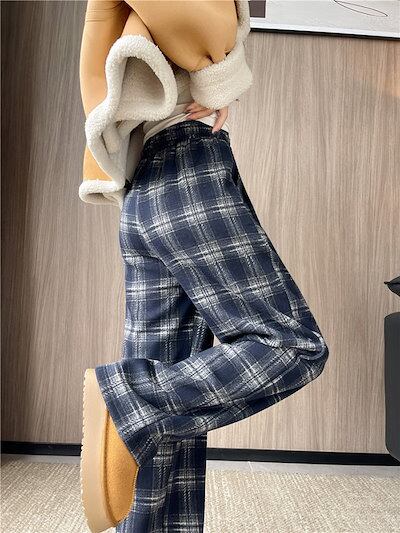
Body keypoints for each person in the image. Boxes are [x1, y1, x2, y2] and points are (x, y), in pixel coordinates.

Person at [78, 2, 330, 532]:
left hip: (147, 186)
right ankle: (131, 400)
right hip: (187, 169)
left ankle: (137, 410)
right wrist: (222, 84)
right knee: (292, 345)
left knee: (167, 400)